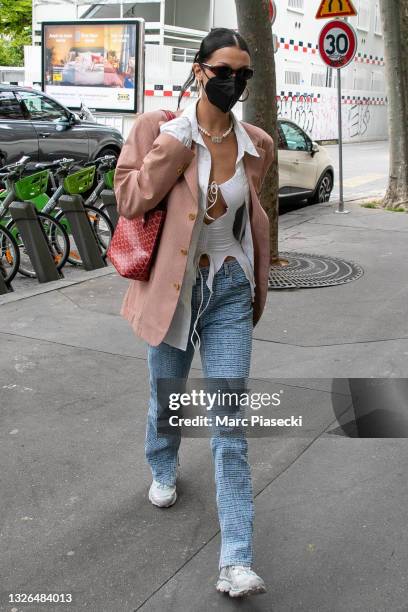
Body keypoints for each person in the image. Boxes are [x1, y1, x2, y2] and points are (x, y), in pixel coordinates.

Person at [114, 27, 274, 598]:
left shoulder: (257, 143)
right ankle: (163, 461)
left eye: (244, 75)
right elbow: (131, 199)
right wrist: (177, 145)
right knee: (168, 394)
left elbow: (251, 216)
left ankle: (237, 560)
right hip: (173, 292)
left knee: (230, 428)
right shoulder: (159, 130)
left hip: (229, 290)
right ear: (200, 70)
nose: (235, 83)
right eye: (224, 71)